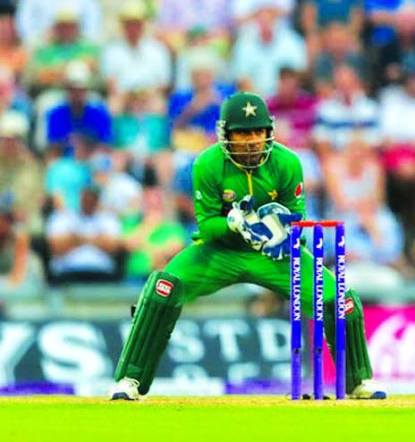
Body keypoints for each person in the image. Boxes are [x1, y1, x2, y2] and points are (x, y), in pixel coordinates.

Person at [110, 92, 386, 400]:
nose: (251, 140)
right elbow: (207, 228)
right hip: (221, 252)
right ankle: (129, 381)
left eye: (257, 132)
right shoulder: (208, 164)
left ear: (269, 131)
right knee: (163, 287)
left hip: (273, 255)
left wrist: (281, 234)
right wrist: (235, 223)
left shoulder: (287, 162)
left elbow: (301, 223)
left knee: (341, 299)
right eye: (242, 133)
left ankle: (359, 381)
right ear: (226, 134)